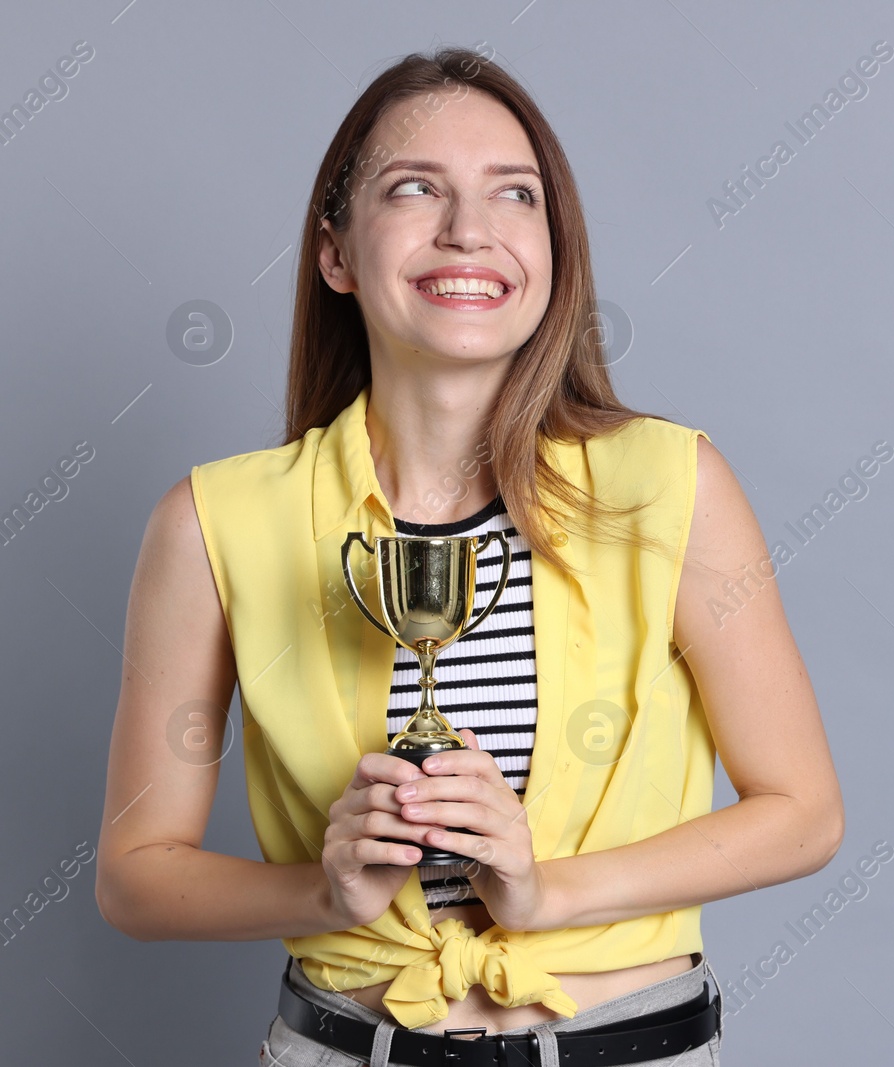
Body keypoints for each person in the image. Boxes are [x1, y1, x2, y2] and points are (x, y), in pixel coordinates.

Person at [95, 46, 844, 1066]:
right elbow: (135, 875)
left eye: (514, 194)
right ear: (337, 252)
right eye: (414, 188)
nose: (468, 230)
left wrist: (546, 888)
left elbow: (801, 813)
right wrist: (326, 888)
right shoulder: (212, 521)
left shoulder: (672, 483)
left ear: (553, 248)